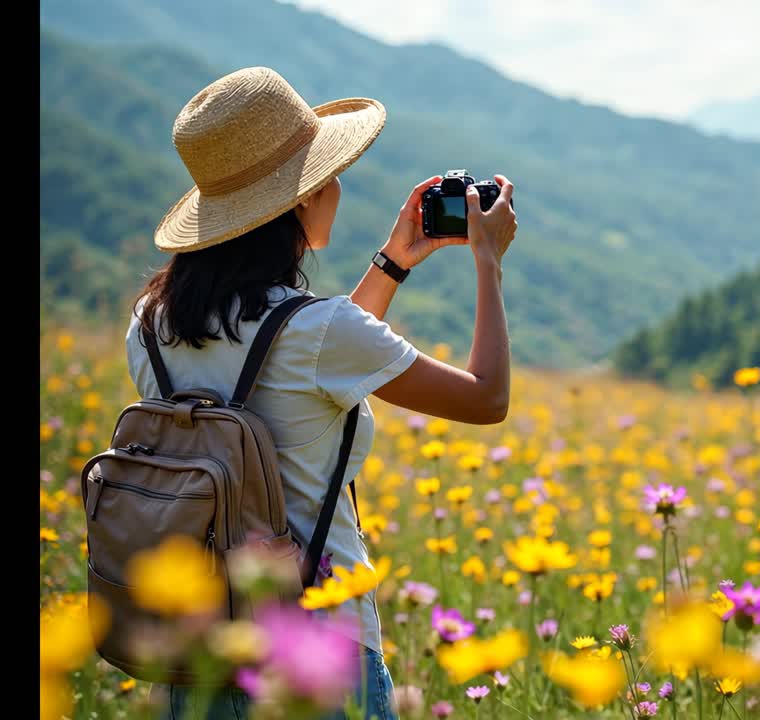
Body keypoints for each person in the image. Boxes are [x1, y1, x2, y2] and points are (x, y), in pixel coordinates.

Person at [125, 66, 517, 719]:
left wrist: (392, 262)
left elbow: (303, 363)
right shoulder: (318, 332)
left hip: (197, 644)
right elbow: (486, 399)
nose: (336, 187)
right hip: (318, 655)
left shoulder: (149, 324)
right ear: (299, 200)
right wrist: (488, 263)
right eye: (326, 174)